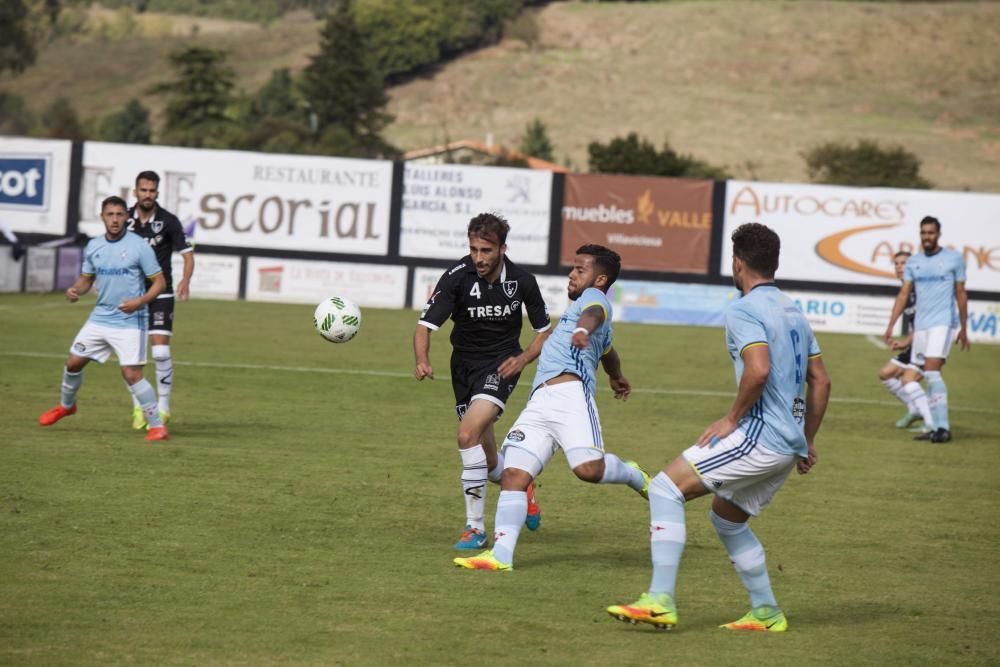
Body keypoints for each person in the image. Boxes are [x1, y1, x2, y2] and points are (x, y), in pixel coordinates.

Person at [606, 223, 831, 632]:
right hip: (786, 444)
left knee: (663, 487)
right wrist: (807, 439)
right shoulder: (794, 310)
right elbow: (822, 380)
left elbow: (758, 370)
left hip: (761, 438)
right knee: (727, 518)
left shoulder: (745, 309)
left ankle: (660, 599)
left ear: (738, 262)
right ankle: (766, 612)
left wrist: (731, 418)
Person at [453, 244, 650, 572]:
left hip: (571, 396)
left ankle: (633, 474)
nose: (572, 275)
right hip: (539, 401)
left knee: (588, 469)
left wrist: (583, 329)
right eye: (572, 268)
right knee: (515, 475)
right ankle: (501, 555)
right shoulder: (580, 312)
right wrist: (617, 377)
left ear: (600, 279)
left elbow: (594, 316)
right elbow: (609, 351)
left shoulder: (594, 301)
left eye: (580, 269)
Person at [414, 213, 552, 550]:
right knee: (489, 463)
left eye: (486, 250)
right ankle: (522, 483)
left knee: (466, 435)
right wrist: (422, 359)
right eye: (474, 248)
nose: (479, 257)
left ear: (502, 248)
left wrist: (522, 359)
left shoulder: (522, 281)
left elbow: (544, 333)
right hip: (463, 368)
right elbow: (425, 326)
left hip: (501, 365)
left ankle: (475, 529)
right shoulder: (457, 277)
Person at [38, 195, 170, 441]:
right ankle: (67, 406)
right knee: (73, 363)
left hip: (131, 320)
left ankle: (157, 426)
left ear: (127, 218)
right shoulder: (94, 245)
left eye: (120, 214)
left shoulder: (139, 246)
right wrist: (76, 289)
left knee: (132, 374)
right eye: (110, 214)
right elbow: (86, 279)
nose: (115, 219)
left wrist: (140, 302)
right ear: (102, 217)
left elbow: (159, 282)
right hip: (100, 318)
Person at [884, 216, 970, 443]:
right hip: (921, 327)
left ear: (938, 234)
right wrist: (891, 325)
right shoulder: (914, 262)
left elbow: (961, 294)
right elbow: (904, 294)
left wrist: (964, 328)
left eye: (931, 233)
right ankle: (932, 425)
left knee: (932, 372)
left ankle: (942, 428)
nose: (927, 237)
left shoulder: (954, 259)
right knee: (911, 377)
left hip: (943, 324)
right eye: (923, 233)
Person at [125, 170, 195, 429]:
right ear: (135, 192)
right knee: (130, 356)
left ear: (157, 193)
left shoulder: (169, 221)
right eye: (143, 190)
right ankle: (139, 408)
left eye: (152, 191)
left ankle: (163, 407)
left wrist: (185, 281)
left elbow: (187, 254)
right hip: (131, 294)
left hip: (160, 291)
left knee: (161, 351)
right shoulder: (123, 219)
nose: (148, 195)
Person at [878, 251, 928, 429]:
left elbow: (926, 323)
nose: (899, 267)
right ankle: (915, 409)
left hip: (928, 343)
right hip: (916, 343)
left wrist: (907, 342)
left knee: (910, 380)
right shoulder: (906, 290)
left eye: (904, 263)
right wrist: (906, 342)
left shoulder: (921, 289)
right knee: (886, 374)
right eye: (897, 264)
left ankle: (931, 418)